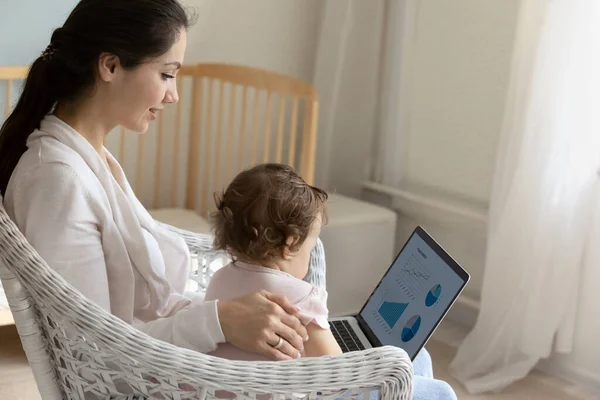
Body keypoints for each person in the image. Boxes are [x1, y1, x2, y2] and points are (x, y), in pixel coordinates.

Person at [0, 0, 457, 398]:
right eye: (166, 74)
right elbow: (92, 357)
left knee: (409, 361)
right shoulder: (56, 182)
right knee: (414, 378)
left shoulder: (86, 159)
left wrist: (234, 309)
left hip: (174, 360)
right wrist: (220, 320)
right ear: (111, 66)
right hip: (154, 380)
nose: (174, 95)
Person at [205, 163, 342, 360]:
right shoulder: (303, 297)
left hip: (212, 389)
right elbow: (334, 367)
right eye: (310, 249)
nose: (311, 255)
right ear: (290, 243)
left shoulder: (218, 279)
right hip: (276, 391)